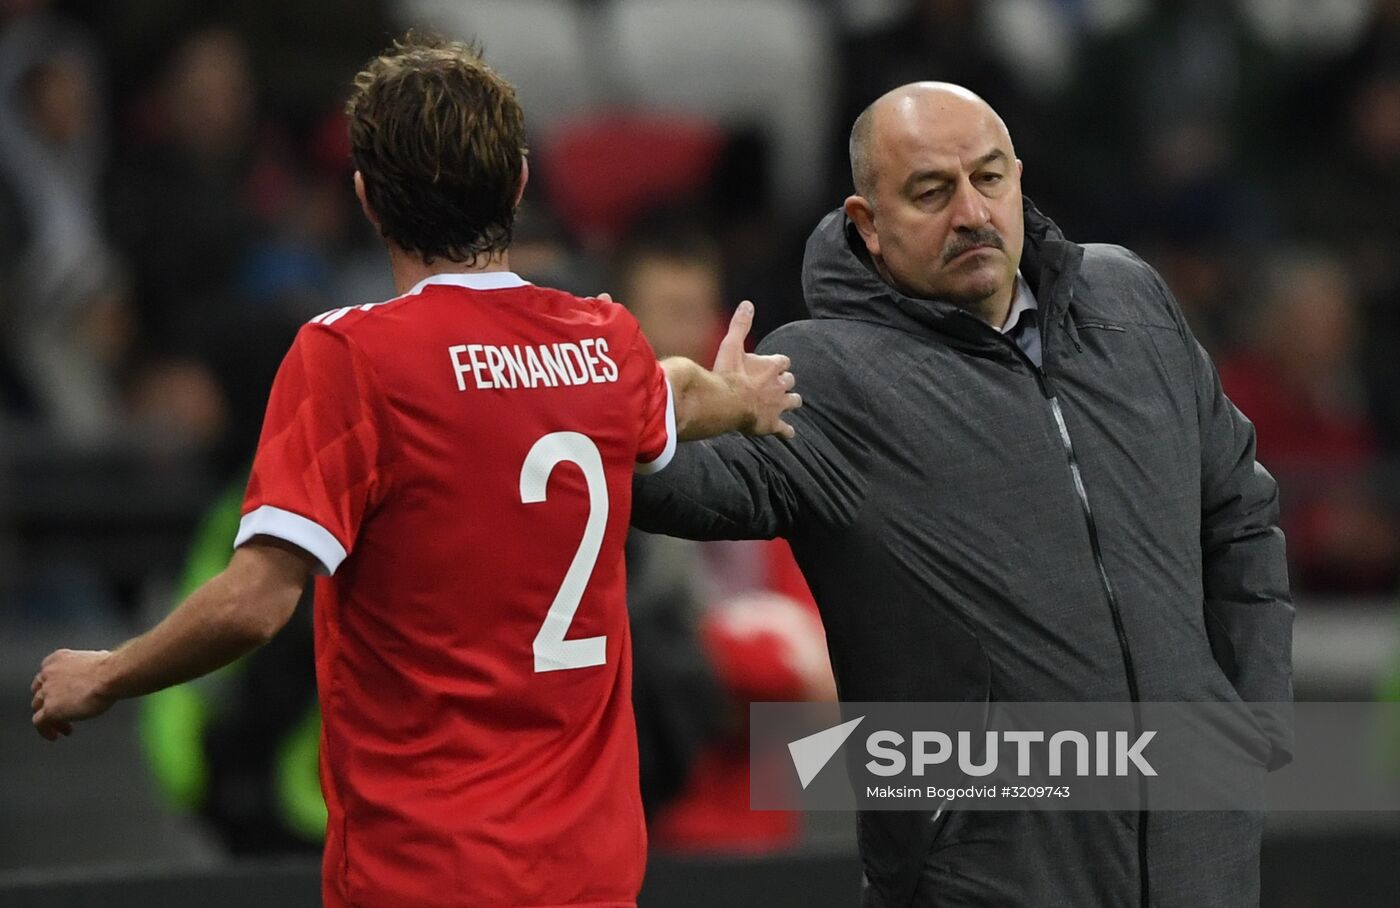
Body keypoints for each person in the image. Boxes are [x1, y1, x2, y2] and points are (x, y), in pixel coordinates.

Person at [29, 34, 799, 908]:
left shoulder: (352, 359)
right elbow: (672, 392)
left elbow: (255, 603)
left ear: (367, 198)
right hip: (590, 873)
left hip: (426, 874)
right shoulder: (603, 340)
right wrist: (741, 401)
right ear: (515, 182)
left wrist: (106, 673)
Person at [632, 82, 1293, 906]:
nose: (972, 214)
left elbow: (1238, 512)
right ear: (867, 223)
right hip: (986, 877)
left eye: (989, 179)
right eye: (931, 192)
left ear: (1019, 178)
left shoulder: (1130, 301)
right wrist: (660, 405)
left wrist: (1255, 719)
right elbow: (667, 489)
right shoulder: (824, 376)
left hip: (1204, 863)